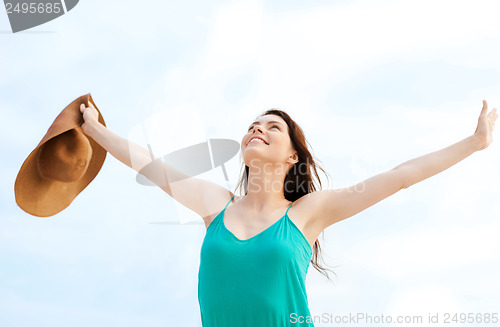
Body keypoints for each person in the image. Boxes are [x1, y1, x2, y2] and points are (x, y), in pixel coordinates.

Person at [79, 100, 497, 326]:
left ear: (293, 155)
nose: (257, 129)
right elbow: (152, 166)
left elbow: (401, 175)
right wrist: (96, 130)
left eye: (272, 127)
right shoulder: (216, 206)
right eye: (253, 125)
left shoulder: (308, 212)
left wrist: (474, 142)